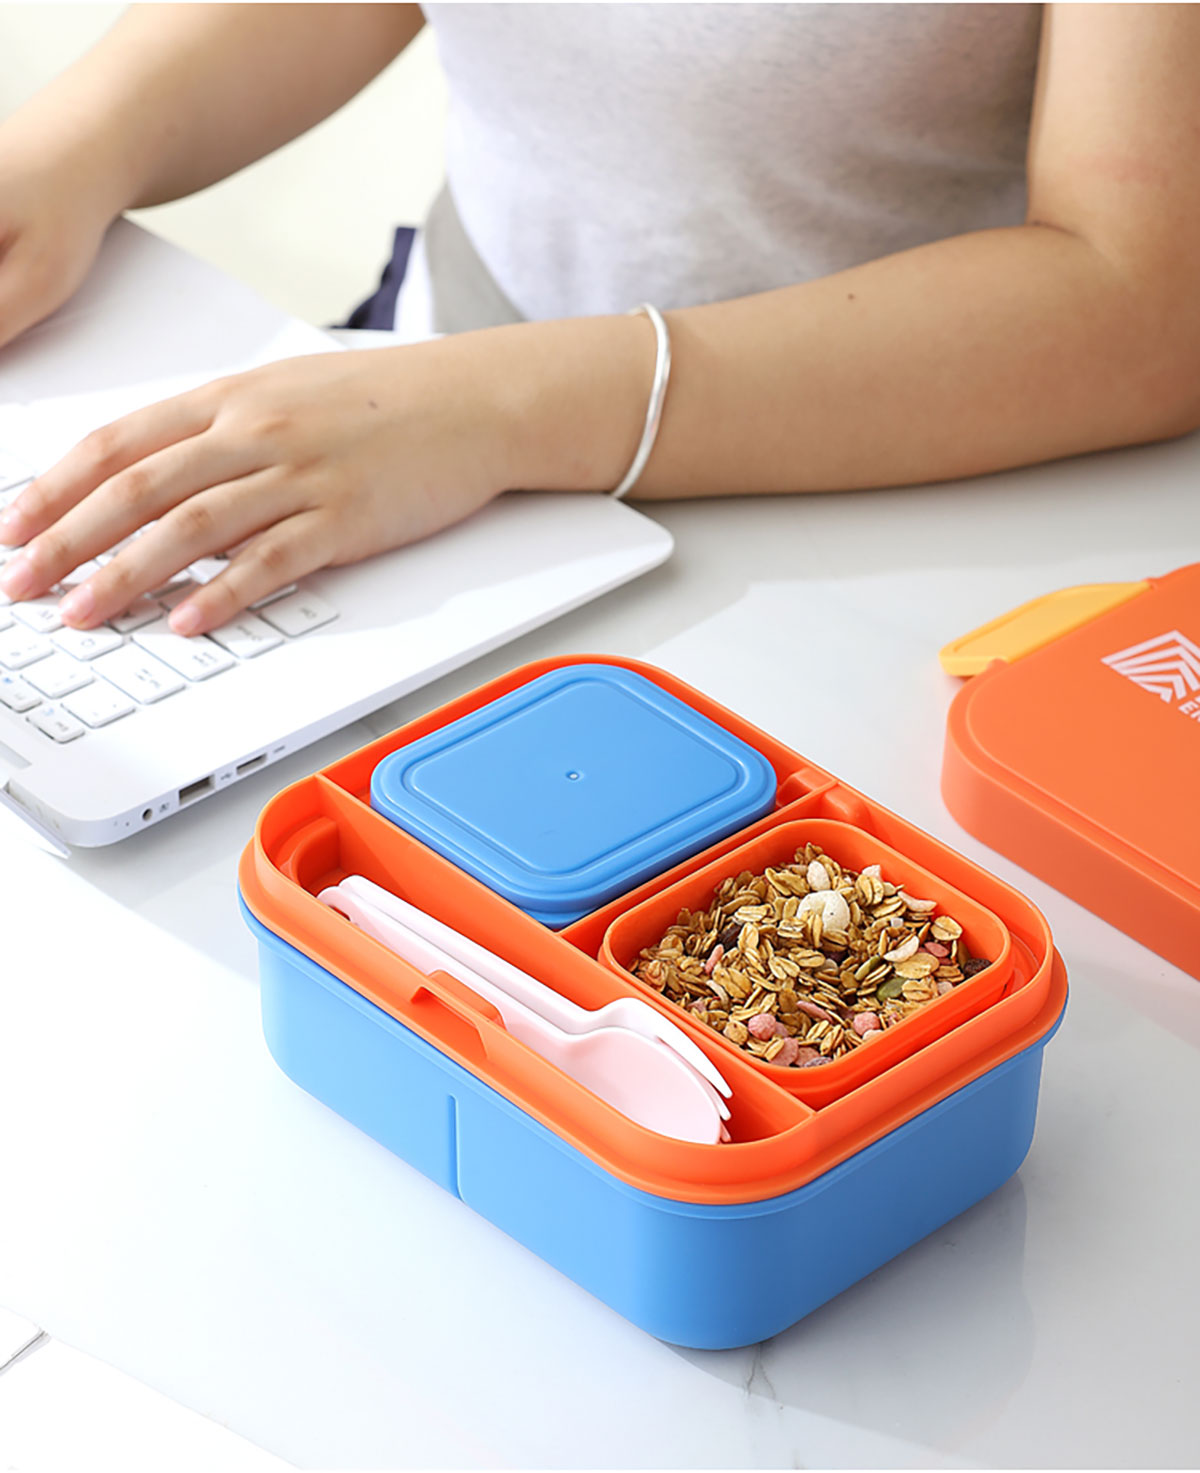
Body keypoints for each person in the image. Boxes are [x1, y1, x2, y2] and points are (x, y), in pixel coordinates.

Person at [0, 3, 1196, 640]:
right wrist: (74, 148)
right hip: (418, 389)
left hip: (871, 527)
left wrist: (500, 409)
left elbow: (1144, 299)